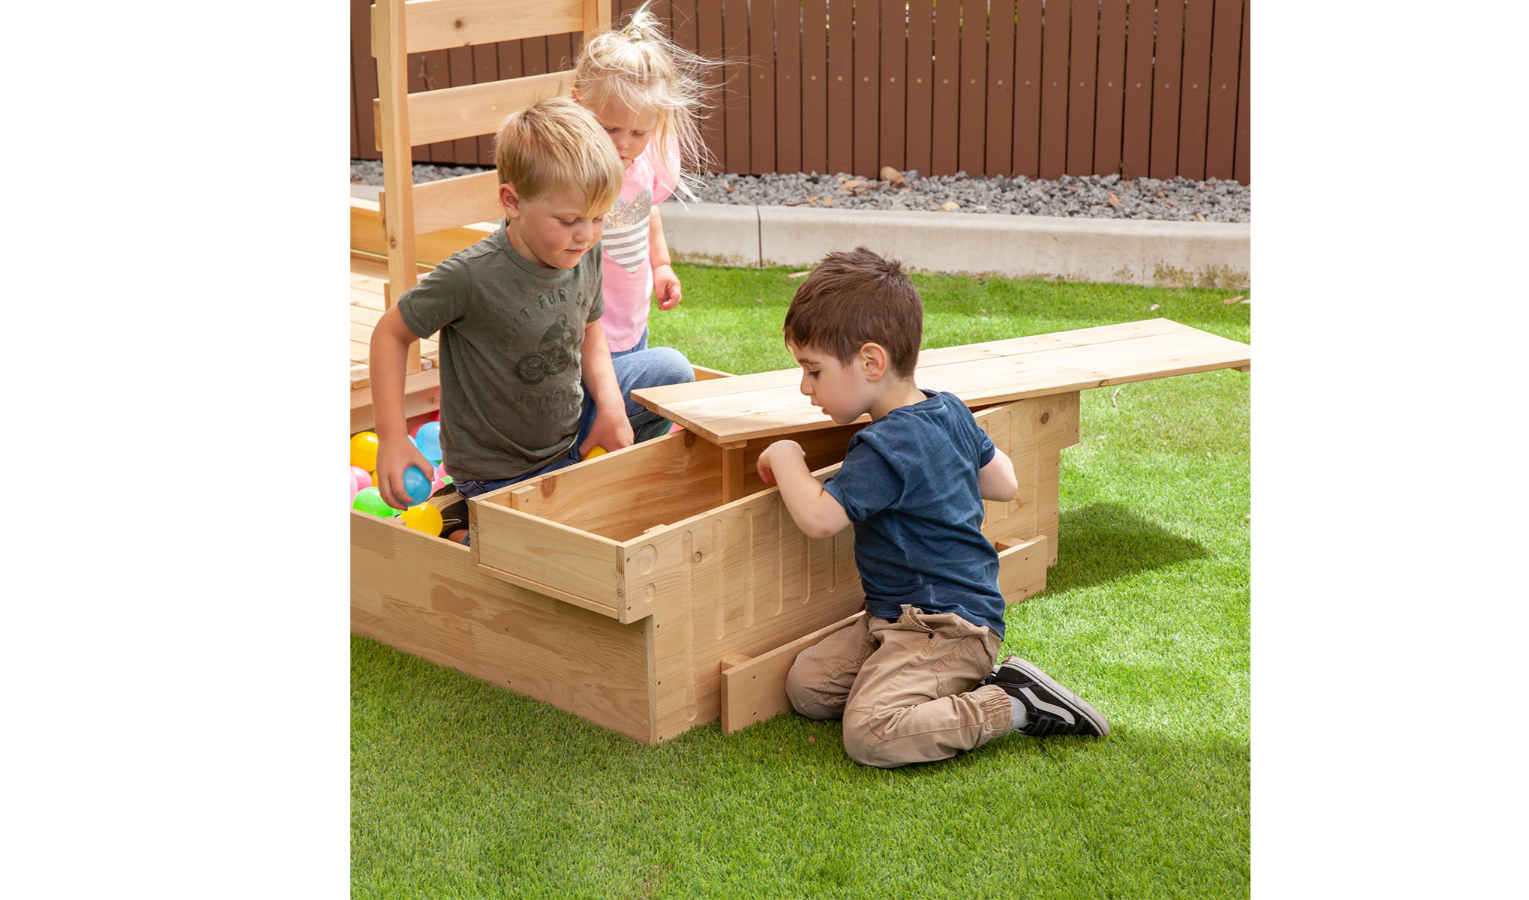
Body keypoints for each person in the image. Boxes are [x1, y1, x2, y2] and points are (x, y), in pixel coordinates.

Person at [757, 248, 1111, 769]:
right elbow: (1004, 482)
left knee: (870, 736)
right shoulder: (947, 408)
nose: (805, 388)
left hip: (946, 627)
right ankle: (937, 687)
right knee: (809, 688)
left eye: (814, 371)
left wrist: (786, 455)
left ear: (872, 362)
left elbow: (818, 518)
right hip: (893, 618)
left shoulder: (884, 447)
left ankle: (1014, 702)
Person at [366, 97, 694, 542]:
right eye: (569, 219)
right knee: (554, 554)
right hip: (502, 468)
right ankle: (464, 523)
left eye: (598, 217)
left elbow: (590, 330)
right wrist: (391, 438)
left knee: (670, 369)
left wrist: (611, 407)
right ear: (512, 202)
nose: (587, 234)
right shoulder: (471, 276)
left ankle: (598, 480)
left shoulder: (583, 249)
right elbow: (390, 333)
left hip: (569, 434)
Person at [569, 4, 717, 357]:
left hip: (632, 318)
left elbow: (646, 210)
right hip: (584, 330)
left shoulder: (647, 159)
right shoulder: (571, 173)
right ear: (578, 102)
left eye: (638, 132)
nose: (624, 143)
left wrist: (661, 265)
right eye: (610, 128)